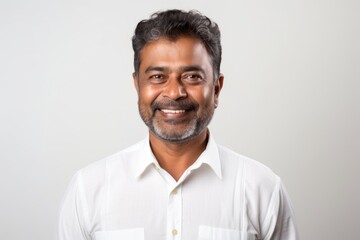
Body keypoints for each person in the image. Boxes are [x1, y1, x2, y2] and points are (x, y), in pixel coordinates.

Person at [57, 9, 299, 240]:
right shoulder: (88, 190)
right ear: (137, 86)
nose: (174, 92)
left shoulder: (262, 189)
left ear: (216, 88)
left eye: (192, 76)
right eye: (157, 77)